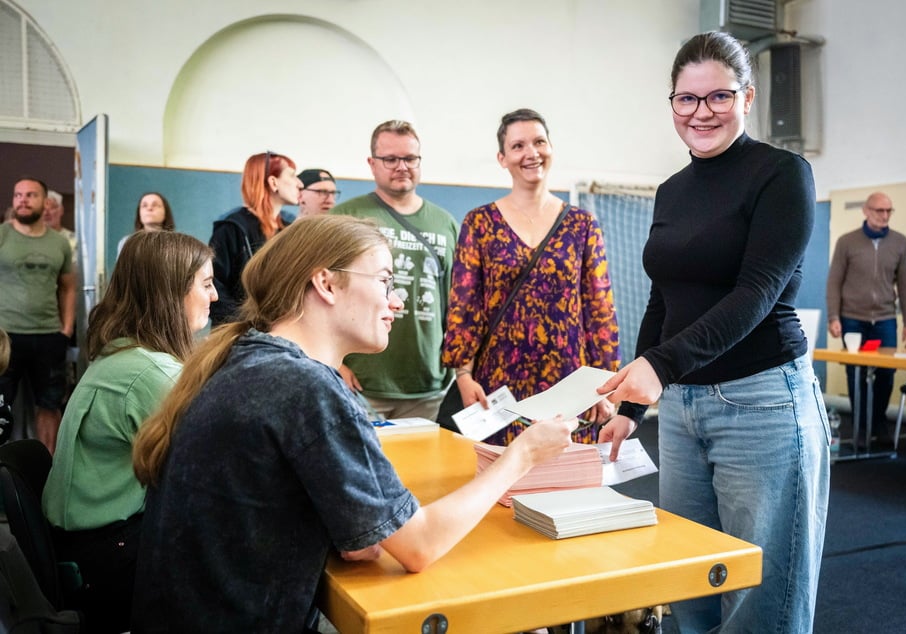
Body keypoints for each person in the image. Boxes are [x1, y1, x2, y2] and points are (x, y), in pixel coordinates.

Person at [128, 215, 576, 631]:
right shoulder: (304, 386)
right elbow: (418, 546)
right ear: (325, 282)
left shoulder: (245, 356)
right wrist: (523, 455)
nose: (396, 301)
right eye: (384, 281)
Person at [596, 32, 830, 633]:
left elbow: (756, 293)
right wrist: (630, 401)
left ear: (747, 98)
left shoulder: (781, 175)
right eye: (686, 99)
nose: (701, 113)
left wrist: (662, 367)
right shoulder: (672, 190)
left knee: (763, 596)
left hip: (761, 401)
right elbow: (663, 297)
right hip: (681, 408)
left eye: (718, 97)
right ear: (672, 103)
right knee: (689, 579)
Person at [41, 231, 216, 633]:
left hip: (90, 549)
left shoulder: (124, 353)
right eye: (206, 284)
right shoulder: (149, 373)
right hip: (109, 559)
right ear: (171, 292)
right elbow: (213, 470)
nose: (216, 296)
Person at [442, 108, 620, 445]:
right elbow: (464, 306)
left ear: (551, 148)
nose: (531, 153)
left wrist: (604, 385)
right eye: (518, 146)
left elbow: (599, 309)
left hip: (571, 384)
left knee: (567, 486)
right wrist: (463, 374)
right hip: (497, 385)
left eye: (539, 142)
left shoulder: (582, 225)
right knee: (501, 486)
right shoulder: (479, 223)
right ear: (503, 158)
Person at [331, 121, 457, 420]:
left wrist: (458, 368)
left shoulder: (445, 224)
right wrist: (334, 364)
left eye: (410, 158)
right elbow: (312, 292)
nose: (402, 166)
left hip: (428, 386)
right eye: (390, 159)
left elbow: (457, 304)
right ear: (372, 164)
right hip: (360, 383)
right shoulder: (346, 217)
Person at [827, 191, 906, 445]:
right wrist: (834, 316)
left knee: (886, 374)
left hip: (886, 320)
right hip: (853, 319)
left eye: (889, 211)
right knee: (856, 374)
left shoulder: (900, 242)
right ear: (866, 211)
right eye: (879, 210)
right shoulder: (847, 242)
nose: (885, 215)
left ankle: (879, 423)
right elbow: (834, 282)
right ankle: (861, 427)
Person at [0, 177, 75, 453]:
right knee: (0, 402)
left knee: (50, 403)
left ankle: (47, 469)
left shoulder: (59, 243)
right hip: (5, 336)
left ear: (45, 202)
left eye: (30, 195)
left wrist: (66, 329)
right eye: (18, 194)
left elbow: (68, 287)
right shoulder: (3, 235)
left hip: (48, 335)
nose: (22, 200)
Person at [209, 151, 301, 326]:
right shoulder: (231, 227)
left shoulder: (290, 228)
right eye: (292, 175)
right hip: (239, 334)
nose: (300, 183)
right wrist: (246, 326)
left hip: (280, 331)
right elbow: (215, 286)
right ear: (273, 182)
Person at [44, 190, 77, 262]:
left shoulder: (74, 240)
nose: (46, 213)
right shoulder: (30, 240)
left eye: (52, 207)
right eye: (42, 209)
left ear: (61, 210)